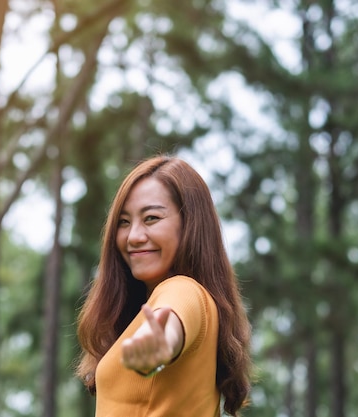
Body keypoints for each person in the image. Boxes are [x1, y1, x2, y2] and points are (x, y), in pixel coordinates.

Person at [75, 155, 252, 416]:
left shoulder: (183, 290)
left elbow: (172, 321)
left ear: (190, 224)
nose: (133, 236)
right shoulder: (156, 307)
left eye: (151, 218)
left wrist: (158, 345)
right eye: (124, 222)